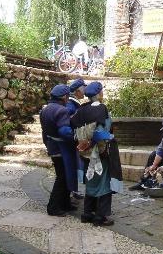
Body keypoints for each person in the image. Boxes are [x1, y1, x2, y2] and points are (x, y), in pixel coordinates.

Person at [71, 81, 123, 226]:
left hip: (85, 152)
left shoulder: (81, 109)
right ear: (98, 93)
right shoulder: (101, 108)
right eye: (101, 91)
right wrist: (108, 138)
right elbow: (101, 133)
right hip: (100, 152)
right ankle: (101, 216)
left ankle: (87, 213)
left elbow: (75, 130)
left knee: (91, 181)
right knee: (104, 182)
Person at [40, 84, 78, 216]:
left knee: (63, 176)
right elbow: (64, 131)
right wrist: (76, 137)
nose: (68, 99)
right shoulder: (62, 110)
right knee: (62, 177)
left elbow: (44, 132)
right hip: (62, 149)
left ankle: (65, 204)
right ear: (64, 97)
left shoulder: (45, 109)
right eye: (68, 96)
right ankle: (53, 207)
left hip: (52, 146)